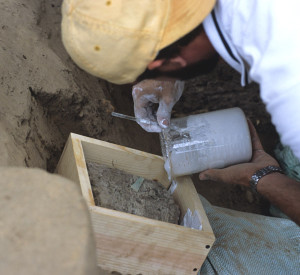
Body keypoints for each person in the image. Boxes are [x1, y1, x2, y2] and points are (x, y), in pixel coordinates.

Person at [61, 1, 300, 272]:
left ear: (171, 59)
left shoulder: (289, 83)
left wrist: (262, 178)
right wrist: (173, 76)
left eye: (146, 72)